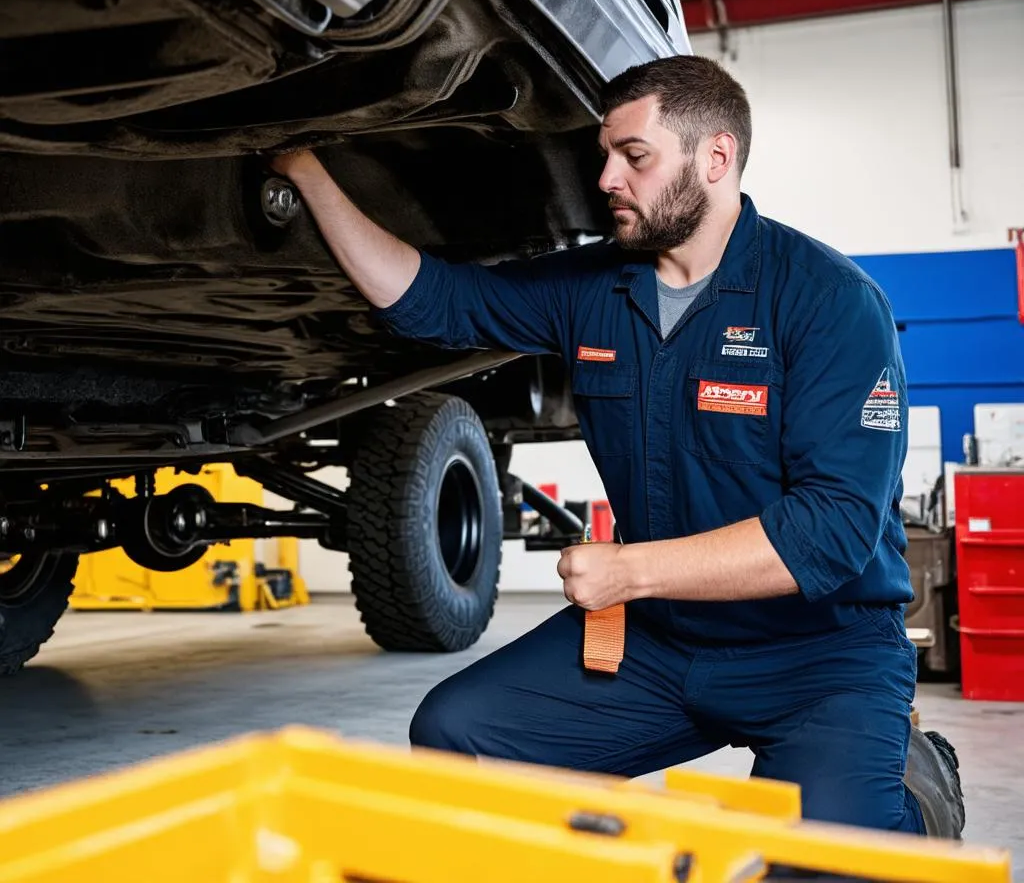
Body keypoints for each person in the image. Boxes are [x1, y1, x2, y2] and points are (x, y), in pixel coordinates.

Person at [270, 56, 965, 842]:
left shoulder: (831, 303)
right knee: (457, 739)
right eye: (606, 155)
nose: (606, 178)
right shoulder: (595, 288)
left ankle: (917, 790)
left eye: (633, 157)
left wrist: (630, 570)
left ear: (715, 158)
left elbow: (832, 533)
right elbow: (434, 301)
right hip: (664, 643)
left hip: (818, 655)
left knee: (816, 862)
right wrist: (306, 169)